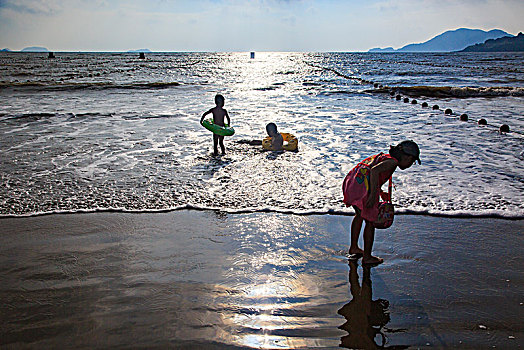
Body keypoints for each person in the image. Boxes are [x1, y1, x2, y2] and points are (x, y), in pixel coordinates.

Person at [342, 140, 420, 265]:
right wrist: (373, 194)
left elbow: (371, 172)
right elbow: (374, 171)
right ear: (407, 156)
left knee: (359, 215)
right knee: (370, 221)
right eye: (412, 161)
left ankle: (354, 247)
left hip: (353, 183)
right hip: (363, 188)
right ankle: (367, 257)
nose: (411, 164)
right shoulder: (392, 162)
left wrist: (380, 191)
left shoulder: (385, 157)